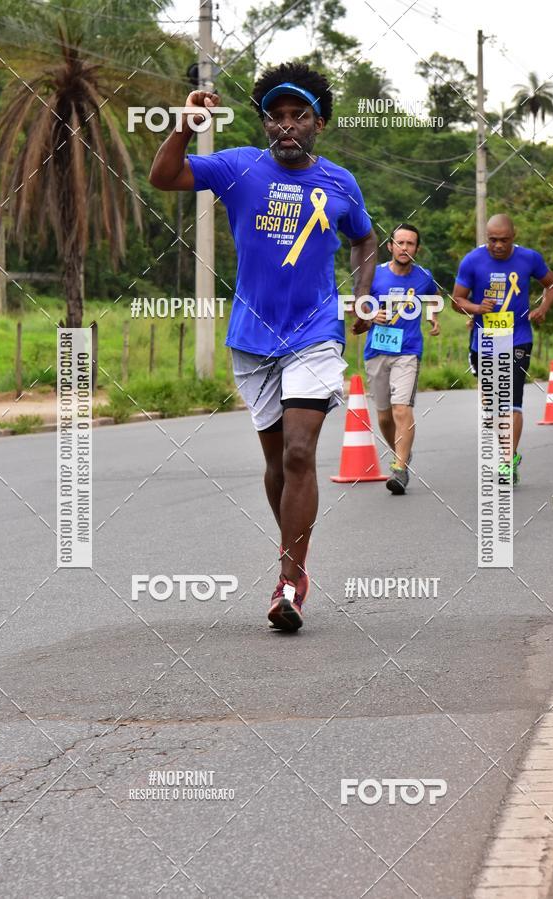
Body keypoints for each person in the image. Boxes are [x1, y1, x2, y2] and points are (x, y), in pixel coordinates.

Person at [149, 61, 377, 631]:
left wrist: (364, 298)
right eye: (275, 117)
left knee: (301, 452)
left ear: (318, 122)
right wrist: (184, 124)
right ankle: (293, 560)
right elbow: (163, 177)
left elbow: (366, 239)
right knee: (276, 463)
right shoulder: (237, 167)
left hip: (316, 332)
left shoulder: (339, 182)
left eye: (298, 115)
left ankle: (288, 578)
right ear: (265, 124)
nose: (285, 125)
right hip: (253, 338)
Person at [453, 214, 553, 485]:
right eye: (492, 240)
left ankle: (508, 460)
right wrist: (477, 308)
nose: (498, 245)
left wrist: (543, 308)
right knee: (493, 404)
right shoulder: (472, 261)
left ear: (514, 236)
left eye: (504, 240)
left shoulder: (529, 258)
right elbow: (457, 300)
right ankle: (503, 441)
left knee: (511, 402)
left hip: (518, 338)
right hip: (485, 339)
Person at [356, 224, 440, 495]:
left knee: (401, 409)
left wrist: (432, 317)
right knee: (383, 417)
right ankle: (401, 454)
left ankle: (400, 468)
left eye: (411, 244)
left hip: (408, 351)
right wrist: (369, 315)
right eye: (400, 243)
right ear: (390, 246)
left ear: (417, 248)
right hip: (377, 350)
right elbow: (356, 303)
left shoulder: (423, 276)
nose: (405, 248)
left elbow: (434, 298)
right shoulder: (375, 274)